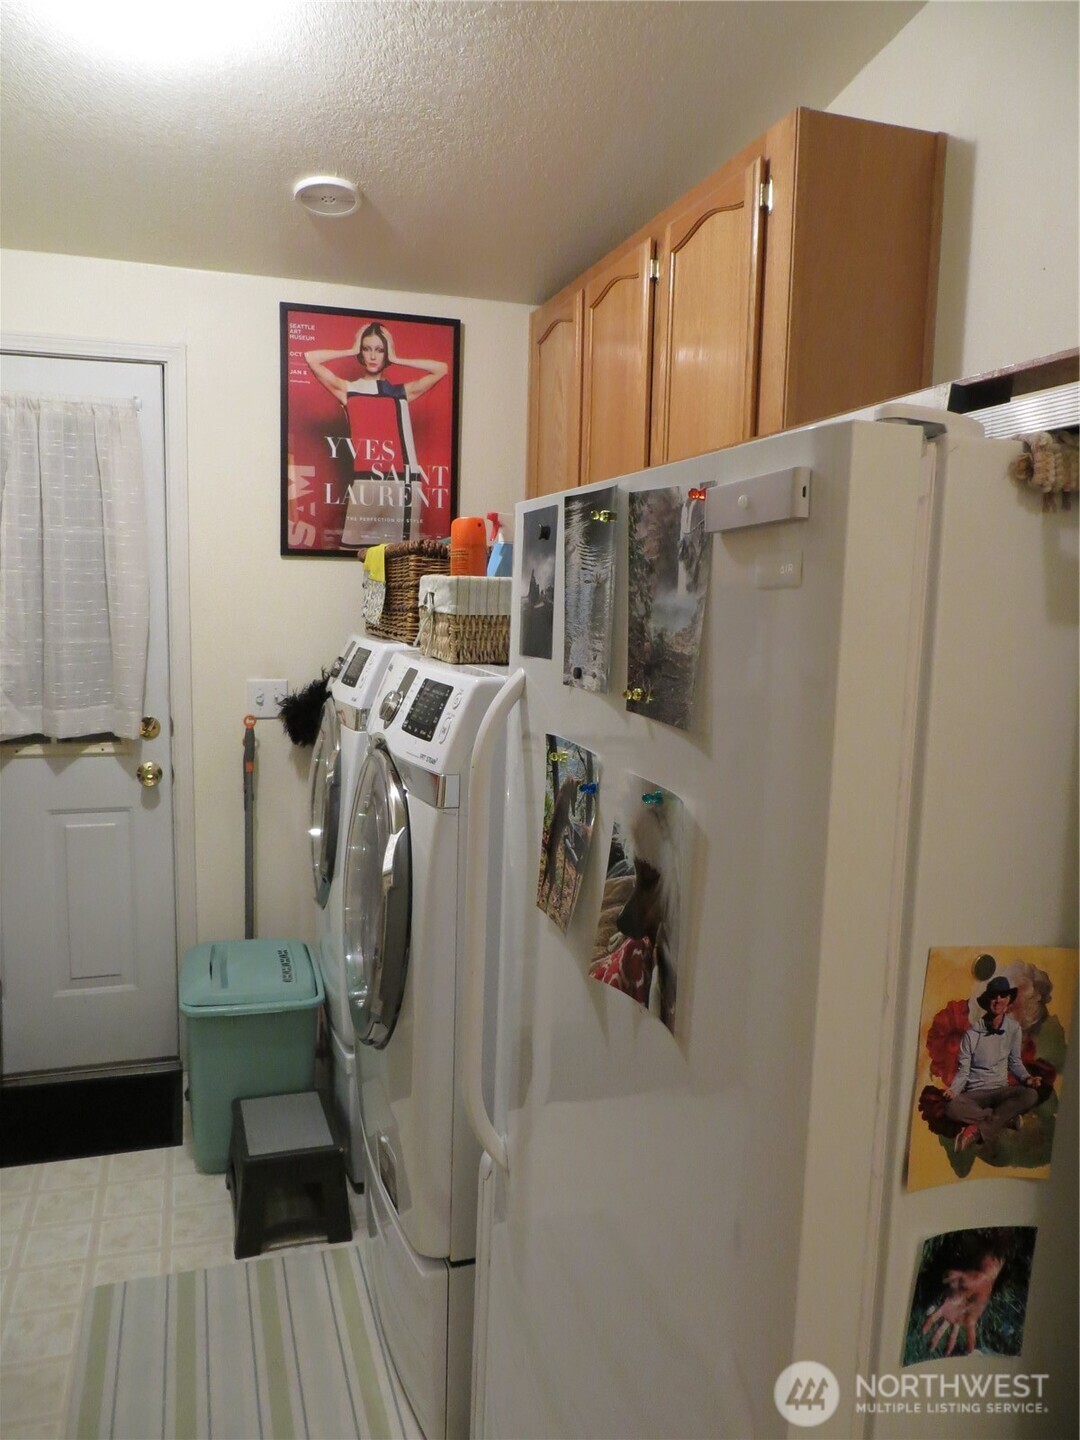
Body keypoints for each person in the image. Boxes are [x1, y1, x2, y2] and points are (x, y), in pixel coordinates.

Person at [304, 323, 448, 547]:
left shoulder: (400, 392)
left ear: (386, 353)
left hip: (403, 483)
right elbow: (310, 357)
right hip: (365, 483)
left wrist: (397, 358)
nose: (372, 356)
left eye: (379, 350)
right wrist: (350, 350)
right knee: (352, 550)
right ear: (361, 352)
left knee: (401, 559)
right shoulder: (348, 389)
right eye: (367, 349)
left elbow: (442, 369)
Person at [943, 975, 1041, 1152]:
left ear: (1008, 999)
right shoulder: (972, 1034)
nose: (998, 1000)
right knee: (951, 1108)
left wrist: (1028, 1079)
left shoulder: (1013, 1029)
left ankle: (977, 1129)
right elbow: (964, 1071)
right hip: (975, 1094)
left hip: (1001, 1091)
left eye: (1002, 996)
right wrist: (954, 1090)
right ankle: (1005, 1119)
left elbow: (1015, 1062)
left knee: (1030, 1095)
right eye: (994, 996)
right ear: (987, 1000)